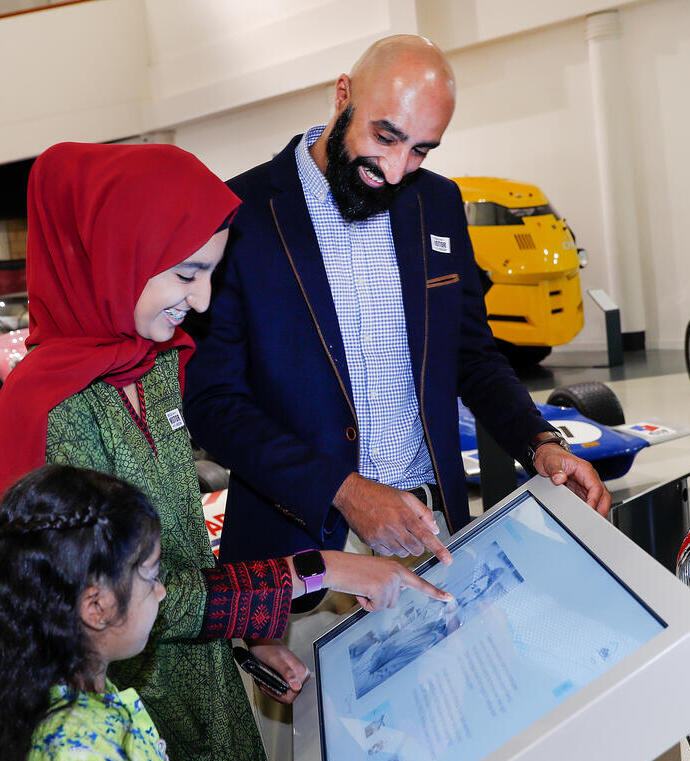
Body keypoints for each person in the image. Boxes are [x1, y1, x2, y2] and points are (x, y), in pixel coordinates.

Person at [0, 141, 452, 761]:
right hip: (119, 701)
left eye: (210, 272)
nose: (201, 302)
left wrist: (244, 627)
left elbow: (168, 555)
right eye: (185, 274)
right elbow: (124, 595)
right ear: (117, 255)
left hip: (175, 702)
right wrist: (322, 569)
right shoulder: (52, 413)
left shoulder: (156, 365)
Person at [183, 32, 610, 587]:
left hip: (431, 532)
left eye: (421, 150)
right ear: (343, 95)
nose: (394, 169)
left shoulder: (436, 203)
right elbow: (214, 402)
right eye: (384, 137)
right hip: (299, 555)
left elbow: (473, 356)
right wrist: (344, 491)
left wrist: (541, 444)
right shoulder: (241, 214)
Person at [0, 464, 453, 761]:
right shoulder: (79, 760)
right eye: (151, 577)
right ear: (97, 607)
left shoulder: (91, 700)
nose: (161, 593)